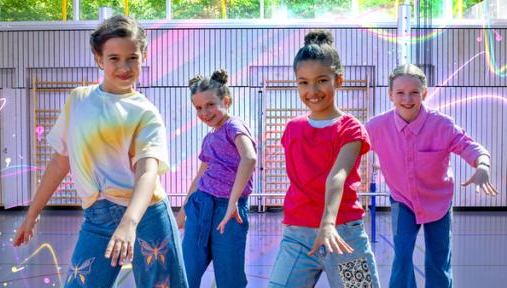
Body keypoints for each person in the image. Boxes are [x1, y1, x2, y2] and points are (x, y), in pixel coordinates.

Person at [13, 14, 188, 288]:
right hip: (98, 216)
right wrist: (31, 215)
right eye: (114, 58)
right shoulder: (79, 100)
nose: (124, 66)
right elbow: (60, 163)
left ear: (143, 56)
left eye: (132, 57)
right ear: (99, 58)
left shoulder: (146, 113)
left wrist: (129, 223)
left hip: (146, 216)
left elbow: (147, 172)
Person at [366, 63, 498, 288]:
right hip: (402, 200)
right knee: (403, 255)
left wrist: (482, 165)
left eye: (414, 92)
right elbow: (349, 147)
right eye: (400, 92)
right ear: (390, 94)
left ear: (424, 93)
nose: (407, 98)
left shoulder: (442, 125)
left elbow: (470, 147)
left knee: (438, 258)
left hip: (438, 201)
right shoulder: (376, 127)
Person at [268, 30, 380, 288]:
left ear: (338, 80)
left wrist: (327, 222)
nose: (312, 90)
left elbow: (337, 176)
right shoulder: (293, 128)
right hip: (298, 235)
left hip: (343, 233)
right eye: (303, 82)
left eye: (321, 80)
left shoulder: (350, 128)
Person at [176, 69, 257, 288]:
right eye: (198, 108)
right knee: (187, 269)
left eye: (210, 104)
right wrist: (183, 212)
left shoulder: (234, 127)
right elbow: (200, 175)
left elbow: (249, 158)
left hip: (228, 210)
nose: (204, 112)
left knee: (229, 275)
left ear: (226, 101)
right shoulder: (209, 136)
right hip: (201, 205)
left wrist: (233, 202)